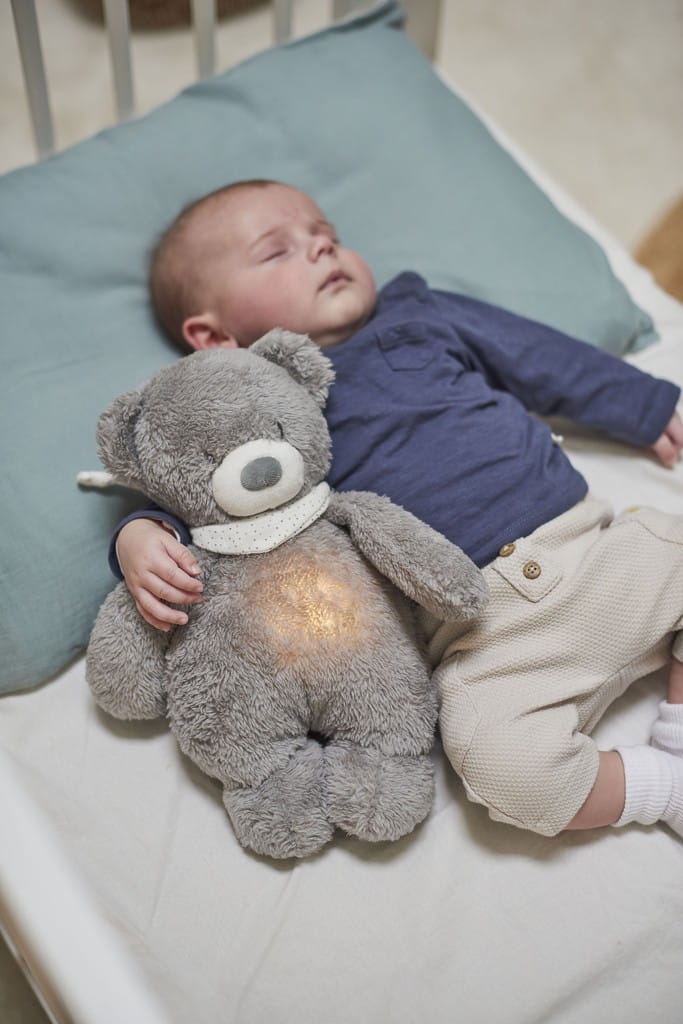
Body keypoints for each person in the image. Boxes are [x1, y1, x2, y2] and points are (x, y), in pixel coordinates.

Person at [113, 178, 683, 840]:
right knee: (498, 765)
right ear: (214, 336)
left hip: (595, 555)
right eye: (277, 251)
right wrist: (143, 534)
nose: (322, 249)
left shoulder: (417, 314)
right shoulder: (247, 411)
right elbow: (197, 487)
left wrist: (645, 405)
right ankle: (661, 787)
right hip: (485, 636)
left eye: (327, 236)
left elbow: (535, 355)